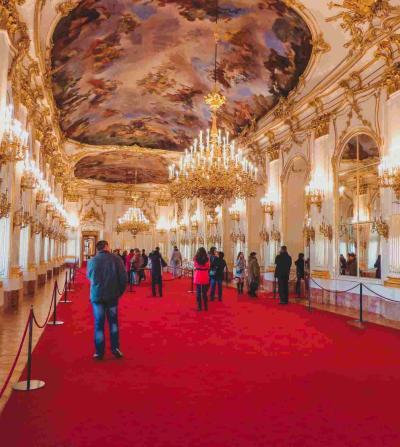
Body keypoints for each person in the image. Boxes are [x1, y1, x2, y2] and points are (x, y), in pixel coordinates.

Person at [87, 240, 127, 360]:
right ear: (106, 247)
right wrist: (119, 293)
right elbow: (123, 278)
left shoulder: (92, 261)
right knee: (113, 323)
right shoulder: (116, 259)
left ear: (98, 249)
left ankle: (99, 352)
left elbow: (89, 276)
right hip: (112, 295)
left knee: (99, 324)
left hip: (97, 296)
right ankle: (115, 348)